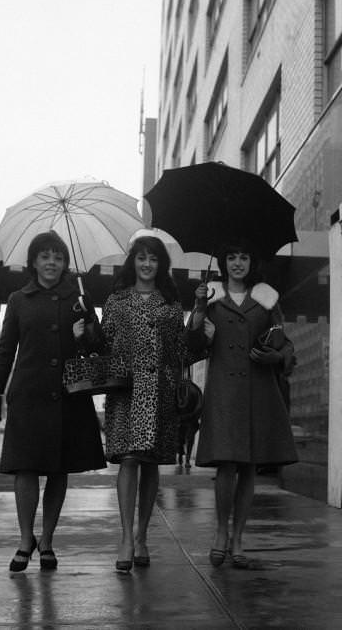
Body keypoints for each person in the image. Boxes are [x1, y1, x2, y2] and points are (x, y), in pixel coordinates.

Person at [0, 231, 105, 572]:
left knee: (58, 469)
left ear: (65, 262)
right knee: (25, 468)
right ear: (34, 261)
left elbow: (98, 348)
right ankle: (26, 539)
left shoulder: (78, 298)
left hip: (69, 394)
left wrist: (89, 326)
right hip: (29, 395)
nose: (52, 262)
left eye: (58, 256)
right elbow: (6, 348)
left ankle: (48, 541)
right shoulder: (18, 300)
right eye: (45, 256)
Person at [100, 235, 203, 573]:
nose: (147, 265)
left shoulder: (172, 306)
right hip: (126, 391)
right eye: (142, 258)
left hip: (160, 391)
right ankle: (126, 539)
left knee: (150, 464)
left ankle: (142, 534)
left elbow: (183, 353)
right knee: (129, 461)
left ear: (161, 265)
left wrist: (199, 315)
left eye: (153, 259)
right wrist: (84, 327)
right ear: (133, 261)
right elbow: (102, 345)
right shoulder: (115, 301)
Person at [192, 240, 297, 569]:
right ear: (223, 261)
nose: (238, 262)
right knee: (226, 464)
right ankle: (220, 533)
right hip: (224, 390)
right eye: (231, 257)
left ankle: (238, 540)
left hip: (258, 390)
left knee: (249, 466)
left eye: (244, 256)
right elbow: (191, 345)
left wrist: (276, 355)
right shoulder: (210, 297)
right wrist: (197, 311)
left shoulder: (267, 298)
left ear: (252, 261)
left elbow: (283, 340)